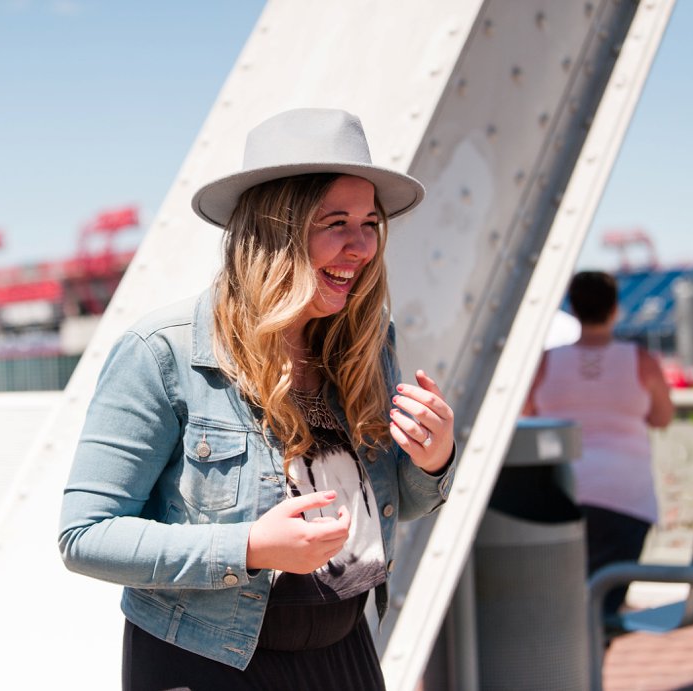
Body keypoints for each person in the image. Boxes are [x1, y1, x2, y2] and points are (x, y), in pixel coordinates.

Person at [59, 108, 456, 690]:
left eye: (370, 223)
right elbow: (85, 535)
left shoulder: (368, 342)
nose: (361, 247)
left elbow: (398, 505)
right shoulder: (161, 352)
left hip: (345, 655)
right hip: (206, 663)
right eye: (336, 223)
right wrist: (249, 546)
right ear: (275, 231)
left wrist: (434, 460)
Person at [524, 270, 674, 616]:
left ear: (574, 309)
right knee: (604, 605)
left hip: (562, 492)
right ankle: (595, 663)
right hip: (627, 495)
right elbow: (662, 418)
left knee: (562, 603)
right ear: (614, 309)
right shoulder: (641, 361)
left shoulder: (546, 361)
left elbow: (527, 415)